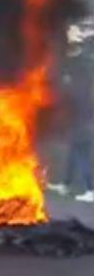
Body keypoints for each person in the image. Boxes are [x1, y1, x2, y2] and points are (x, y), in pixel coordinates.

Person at [51, 47, 94, 201]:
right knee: (74, 154)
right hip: (83, 124)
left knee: (81, 156)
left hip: (81, 125)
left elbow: (74, 105)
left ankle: (91, 190)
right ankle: (65, 184)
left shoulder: (79, 89)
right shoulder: (84, 86)